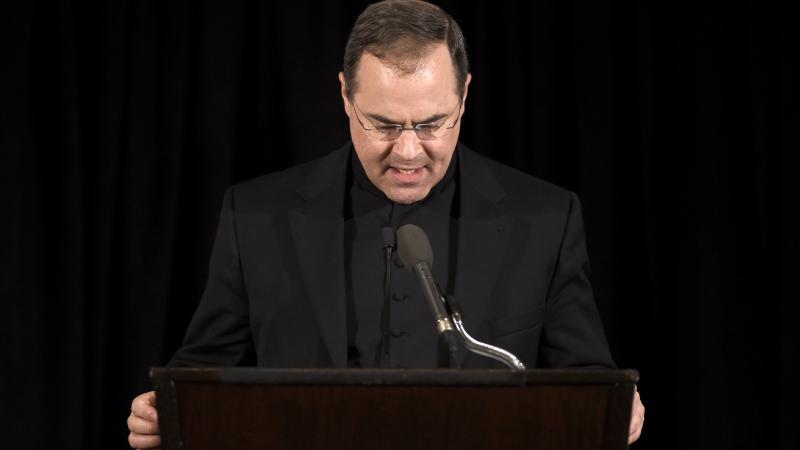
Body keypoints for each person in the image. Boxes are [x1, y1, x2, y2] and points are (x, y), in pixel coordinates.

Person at [127, 1, 644, 448]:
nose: (409, 150)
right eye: (384, 124)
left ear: (464, 95)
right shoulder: (257, 215)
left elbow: (587, 382)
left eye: (432, 123)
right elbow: (200, 376)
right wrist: (162, 411)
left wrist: (616, 409)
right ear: (345, 97)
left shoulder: (545, 218)